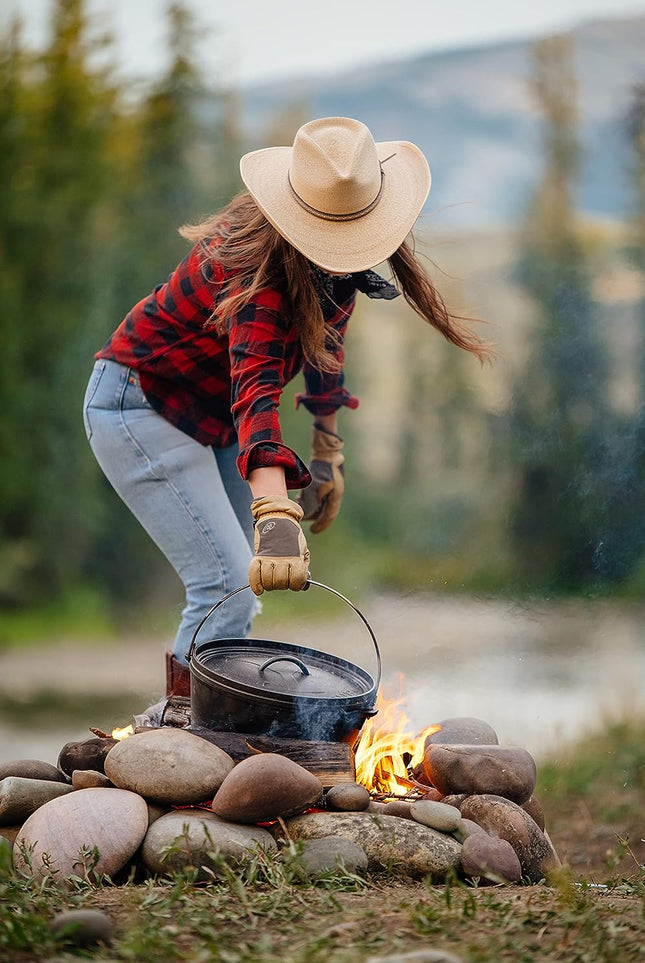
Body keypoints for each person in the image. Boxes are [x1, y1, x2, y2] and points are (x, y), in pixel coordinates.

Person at [82, 116, 489, 700]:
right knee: (226, 582)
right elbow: (256, 389)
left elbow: (324, 356)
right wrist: (273, 512)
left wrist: (327, 452)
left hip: (212, 417)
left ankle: (201, 731)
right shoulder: (248, 266)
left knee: (235, 593)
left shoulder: (333, 265)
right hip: (138, 404)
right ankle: (172, 739)